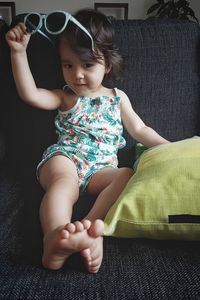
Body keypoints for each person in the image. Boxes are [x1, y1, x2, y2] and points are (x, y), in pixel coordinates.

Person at [6, 9, 169, 273]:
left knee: (126, 174)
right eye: (68, 65)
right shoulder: (66, 96)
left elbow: (140, 129)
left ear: (107, 63)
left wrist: (170, 147)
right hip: (65, 158)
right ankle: (54, 235)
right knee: (63, 185)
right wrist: (17, 53)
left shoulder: (118, 98)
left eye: (88, 65)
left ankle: (89, 230)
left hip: (101, 169)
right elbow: (31, 95)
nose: (77, 75)